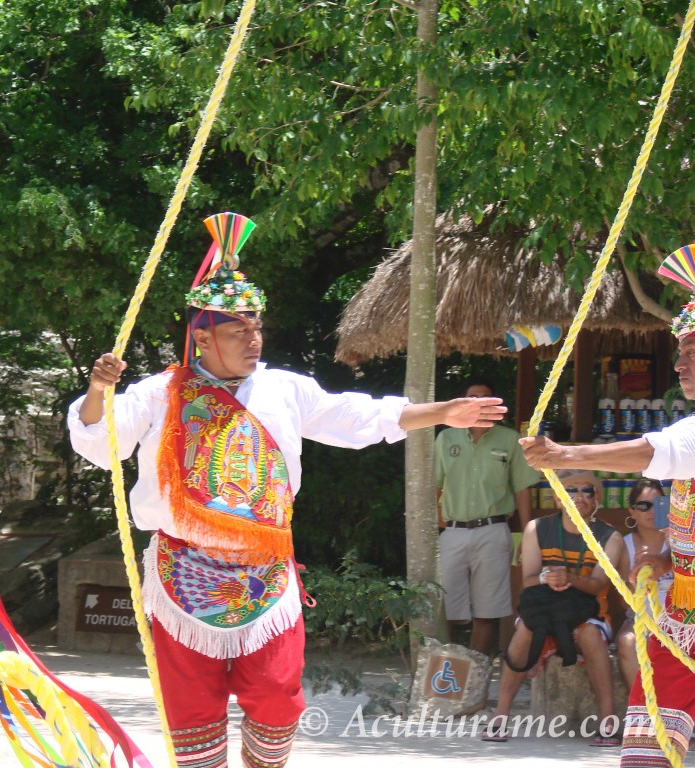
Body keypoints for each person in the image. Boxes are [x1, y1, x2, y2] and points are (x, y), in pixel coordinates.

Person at [67, 211, 507, 768]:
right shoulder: (160, 393)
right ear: (201, 337)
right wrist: (96, 393)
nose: (253, 340)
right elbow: (99, 444)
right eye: (238, 331)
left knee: (277, 701)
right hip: (184, 569)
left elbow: (357, 418)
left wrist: (445, 410)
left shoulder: (283, 389)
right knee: (191, 710)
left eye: (257, 328)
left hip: (266, 570)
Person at [519, 255, 695, 767]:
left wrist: (567, 456)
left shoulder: (685, 437)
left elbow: (659, 451)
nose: (680, 363)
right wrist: (668, 559)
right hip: (684, 606)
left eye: (692, 350)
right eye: (680, 351)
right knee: (649, 747)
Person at [483, 469, 624, 746]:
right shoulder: (537, 528)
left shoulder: (610, 537)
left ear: (596, 500)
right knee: (525, 628)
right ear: (558, 497)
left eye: (587, 490)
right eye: (571, 490)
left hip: (590, 613)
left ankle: (608, 720)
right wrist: (549, 577)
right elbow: (528, 580)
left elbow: (597, 585)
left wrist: (569, 578)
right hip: (545, 610)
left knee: (590, 636)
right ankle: (501, 715)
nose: (579, 496)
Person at [435, 379, 540, 654]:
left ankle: (474, 675)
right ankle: (445, 675)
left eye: (485, 397)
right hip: (453, 532)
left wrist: (527, 537)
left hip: (493, 531)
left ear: (495, 404)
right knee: (447, 608)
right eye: (473, 397)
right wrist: (438, 525)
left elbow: (522, 489)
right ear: (463, 401)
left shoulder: (509, 440)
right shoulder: (446, 438)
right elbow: (434, 485)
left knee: (488, 610)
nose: (479, 402)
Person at [615, 479, 671, 690]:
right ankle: (643, 709)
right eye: (643, 505)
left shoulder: (678, 540)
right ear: (632, 510)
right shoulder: (624, 544)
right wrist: (636, 579)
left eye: (657, 504)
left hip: (679, 616)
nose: (651, 510)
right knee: (627, 641)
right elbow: (623, 602)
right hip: (641, 616)